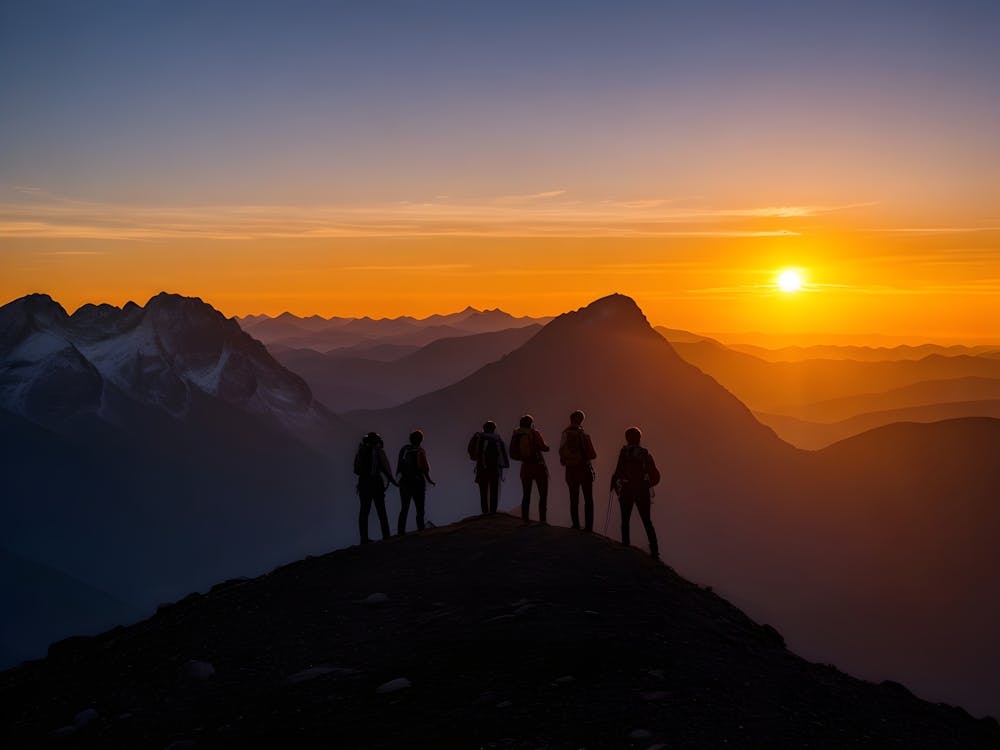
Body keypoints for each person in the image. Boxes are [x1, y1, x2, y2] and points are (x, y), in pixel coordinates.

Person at [609, 427, 660, 559]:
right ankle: (654, 550)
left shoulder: (624, 452)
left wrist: (615, 483)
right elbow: (655, 474)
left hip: (626, 488)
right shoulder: (644, 453)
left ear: (627, 438)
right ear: (639, 438)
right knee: (647, 520)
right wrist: (648, 484)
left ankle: (625, 544)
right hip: (642, 489)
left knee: (625, 519)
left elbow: (619, 469)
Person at [354, 431, 396, 544]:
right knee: (381, 510)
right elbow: (385, 469)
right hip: (376, 484)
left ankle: (364, 538)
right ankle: (386, 536)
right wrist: (394, 482)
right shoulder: (377, 452)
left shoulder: (361, 452)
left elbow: (356, 470)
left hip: (363, 484)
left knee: (364, 511)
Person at [559, 410, 597, 531]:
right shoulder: (583, 434)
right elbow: (592, 455)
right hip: (583, 469)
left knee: (573, 498)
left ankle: (575, 524)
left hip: (570, 470)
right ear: (581, 420)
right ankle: (588, 527)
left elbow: (560, 451)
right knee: (588, 499)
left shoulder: (565, 433)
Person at [510, 414, 550, 523]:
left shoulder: (516, 434)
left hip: (525, 467)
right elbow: (543, 447)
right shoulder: (534, 433)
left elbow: (513, 452)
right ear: (531, 423)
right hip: (538, 466)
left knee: (526, 494)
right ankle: (543, 520)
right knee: (543, 494)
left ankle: (525, 519)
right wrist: (547, 447)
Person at [396, 429, 435, 534]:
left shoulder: (404, 449)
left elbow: (399, 467)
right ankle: (421, 530)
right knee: (420, 509)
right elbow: (425, 468)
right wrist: (429, 480)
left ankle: (401, 532)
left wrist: (397, 481)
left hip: (405, 483)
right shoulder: (420, 451)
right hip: (418, 483)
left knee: (404, 508)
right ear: (421, 439)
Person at [468, 420, 510, 514]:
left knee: (483, 492)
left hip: (481, 469)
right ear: (494, 429)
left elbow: (472, 452)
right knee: (494, 491)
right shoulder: (497, 439)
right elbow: (502, 456)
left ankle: (485, 512)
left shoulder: (479, 437)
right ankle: (492, 512)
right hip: (494, 469)